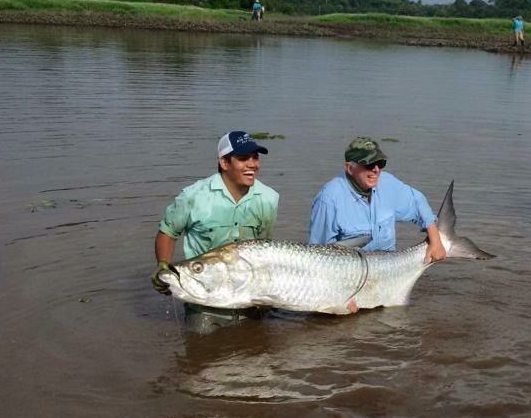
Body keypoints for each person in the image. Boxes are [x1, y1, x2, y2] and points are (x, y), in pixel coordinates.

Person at [151, 131, 278, 333]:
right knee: (202, 350)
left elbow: (263, 247)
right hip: (205, 302)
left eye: (255, 158)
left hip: (250, 298)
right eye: (243, 158)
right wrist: (162, 265)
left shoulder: (268, 198)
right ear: (224, 163)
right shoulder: (193, 196)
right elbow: (167, 232)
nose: (253, 164)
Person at [309, 135, 446, 263]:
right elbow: (318, 258)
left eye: (380, 163)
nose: (376, 170)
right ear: (350, 168)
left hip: (390, 268)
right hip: (351, 275)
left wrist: (436, 240)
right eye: (368, 164)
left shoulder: (388, 184)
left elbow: (418, 203)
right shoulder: (328, 200)